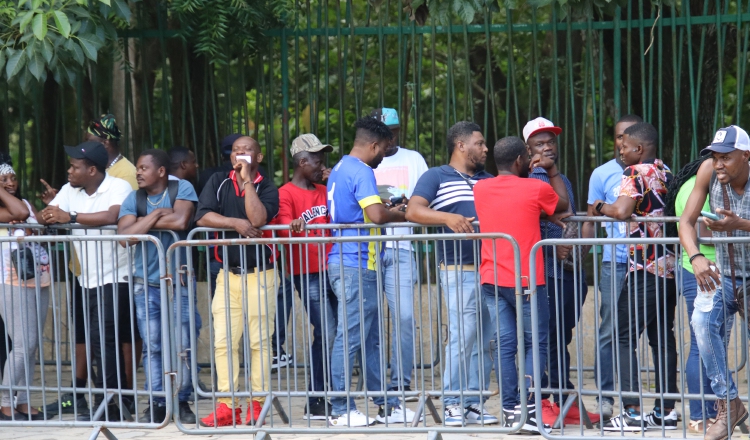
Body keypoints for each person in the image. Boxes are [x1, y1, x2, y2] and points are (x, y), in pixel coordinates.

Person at [474, 135, 570, 434]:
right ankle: (530, 410)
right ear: (520, 161)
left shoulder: (481, 187)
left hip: (491, 278)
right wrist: (551, 171)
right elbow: (562, 204)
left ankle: (509, 409)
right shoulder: (535, 187)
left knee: (504, 346)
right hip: (527, 279)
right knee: (534, 343)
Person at [326, 117, 416, 427]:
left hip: (351, 262)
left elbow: (361, 209)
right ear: (373, 146)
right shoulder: (362, 171)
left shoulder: (339, 168)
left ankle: (387, 405)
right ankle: (339, 407)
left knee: (371, 339)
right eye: (384, 150)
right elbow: (376, 216)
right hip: (355, 263)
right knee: (350, 338)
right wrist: (403, 214)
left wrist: (387, 205)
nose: (383, 156)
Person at [406, 121, 498, 426]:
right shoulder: (436, 176)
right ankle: (452, 402)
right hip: (458, 268)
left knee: (484, 339)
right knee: (462, 335)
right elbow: (413, 211)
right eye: (480, 143)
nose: (486, 149)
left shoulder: (489, 179)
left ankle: (473, 402)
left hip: (490, 268)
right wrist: (447, 217)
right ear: (461, 145)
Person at [39, 141, 136, 421]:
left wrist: (68, 217)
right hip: (87, 278)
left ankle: (114, 402)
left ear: (92, 169)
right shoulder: (71, 190)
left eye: (74, 166)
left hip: (116, 276)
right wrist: (50, 213)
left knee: (106, 339)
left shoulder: (118, 186)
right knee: (97, 340)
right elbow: (45, 216)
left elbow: (112, 215)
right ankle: (113, 401)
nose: (69, 171)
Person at [593, 122, 678, 431]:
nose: (621, 149)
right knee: (662, 339)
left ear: (639, 149)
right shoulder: (665, 173)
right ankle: (666, 411)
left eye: (625, 145)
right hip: (667, 268)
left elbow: (621, 210)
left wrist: (599, 206)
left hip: (643, 267)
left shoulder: (635, 173)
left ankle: (630, 411)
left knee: (623, 335)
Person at [195, 136, 279, 427]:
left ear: (259, 155)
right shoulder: (217, 180)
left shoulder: (268, 186)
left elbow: (256, 218)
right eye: (235, 151)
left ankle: (258, 403)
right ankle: (227, 405)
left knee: (259, 342)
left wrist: (246, 182)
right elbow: (202, 216)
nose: (240, 154)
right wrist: (234, 223)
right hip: (227, 275)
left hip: (261, 274)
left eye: (246, 150)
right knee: (223, 342)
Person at [522, 117, 599, 426]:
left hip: (567, 271)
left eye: (550, 141)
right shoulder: (526, 178)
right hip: (543, 271)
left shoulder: (559, 177)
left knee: (561, 334)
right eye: (540, 143)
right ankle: (549, 399)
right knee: (547, 336)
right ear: (527, 150)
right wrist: (551, 245)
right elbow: (539, 217)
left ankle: (565, 399)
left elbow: (564, 210)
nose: (547, 147)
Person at [117, 149, 200, 424]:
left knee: (183, 345)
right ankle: (157, 402)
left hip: (179, 281)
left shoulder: (182, 187)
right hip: (145, 285)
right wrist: (155, 216)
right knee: (152, 346)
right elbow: (124, 237)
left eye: (143, 168)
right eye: (138, 168)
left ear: (161, 171)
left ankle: (182, 400)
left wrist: (142, 224)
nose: (138, 172)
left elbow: (181, 221)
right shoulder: (135, 197)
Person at [679, 125, 750, 440]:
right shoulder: (708, 171)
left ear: (745, 155)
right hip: (725, 272)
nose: (719, 163)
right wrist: (695, 257)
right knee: (702, 323)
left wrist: (740, 224)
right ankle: (729, 403)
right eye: (716, 156)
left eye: (726, 157)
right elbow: (686, 222)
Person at [271, 133, 338, 420]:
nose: (321, 162)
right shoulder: (285, 192)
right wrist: (294, 224)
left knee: (333, 333)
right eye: (316, 158)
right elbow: (284, 225)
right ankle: (316, 397)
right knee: (327, 331)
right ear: (301, 161)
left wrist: (334, 177)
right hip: (307, 273)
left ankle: (328, 393)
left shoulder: (325, 189)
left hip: (334, 268)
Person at [582, 114, 643, 419]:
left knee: (652, 331)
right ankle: (606, 398)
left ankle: (640, 404)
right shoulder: (601, 173)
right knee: (609, 330)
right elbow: (591, 215)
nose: (622, 143)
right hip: (615, 262)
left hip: (648, 264)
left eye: (627, 137)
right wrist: (580, 254)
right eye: (618, 137)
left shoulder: (657, 170)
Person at [371, 107, 428, 402]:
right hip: (367, 249)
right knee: (368, 319)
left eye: (393, 132)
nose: (389, 139)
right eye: (384, 133)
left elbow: (424, 203)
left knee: (404, 317)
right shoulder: (362, 161)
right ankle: (374, 381)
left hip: (401, 246)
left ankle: (400, 382)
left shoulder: (414, 159)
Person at [665, 155, 717, 434]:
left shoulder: (696, 184)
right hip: (703, 269)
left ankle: (710, 412)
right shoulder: (697, 187)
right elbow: (697, 228)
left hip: (708, 269)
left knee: (709, 344)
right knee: (703, 345)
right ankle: (701, 415)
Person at [0, 157, 50, 421]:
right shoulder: (16, 207)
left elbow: (36, 221)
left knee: (32, 346)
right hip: (9, 280)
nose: (10, 183)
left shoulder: (26, 203)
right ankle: (6, 400)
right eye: (3, 180)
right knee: (22, 343)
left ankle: (24, 399)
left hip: (38, 278)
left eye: (13, 178)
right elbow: (19, 216)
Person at [86, 114, 138, 190]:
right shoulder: (96, 167)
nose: (85, 146)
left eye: (90, 142)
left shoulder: (126, 174)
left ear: (105, 143)